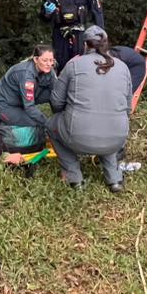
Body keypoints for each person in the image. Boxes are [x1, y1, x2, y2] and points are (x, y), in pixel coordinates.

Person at [47, 27, 132, 193]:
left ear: (84, 44)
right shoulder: (123, 67)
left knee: (51, 125)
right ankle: (114, 179)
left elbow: (56, 102)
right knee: (107, 124)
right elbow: (128, 108)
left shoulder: (74, 64)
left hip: (79, 137)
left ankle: (75, 178)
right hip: (117, 138)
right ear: (106, 44)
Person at [0, 45, 57, 130]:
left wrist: (59, 117)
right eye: (45, 60)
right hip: (5, 104)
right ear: (36, 59)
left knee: (55, 94)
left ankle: (58, 119)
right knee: (36, 125)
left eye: (51, 60)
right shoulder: (26, 74)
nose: (49, 64)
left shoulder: (49, 69)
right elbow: (29, 107)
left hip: (21, 99)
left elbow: (57, 92)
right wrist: (48, 123)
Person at [82, 25, 145, 95]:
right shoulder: (99, 51)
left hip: (135, 64)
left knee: (124, 93)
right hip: (126, 57)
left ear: (85, 45)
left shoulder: (108, 58)